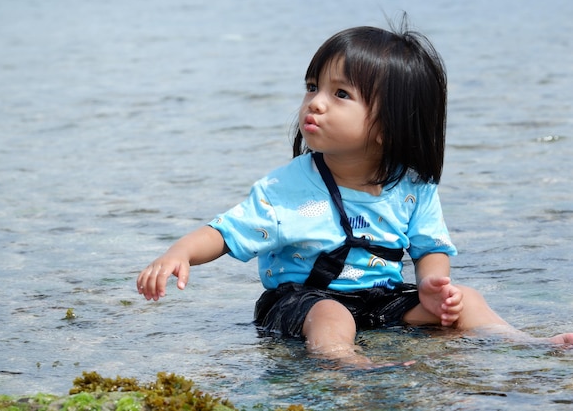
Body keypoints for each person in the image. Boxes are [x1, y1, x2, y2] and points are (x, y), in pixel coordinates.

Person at [137, 18, 573, 368]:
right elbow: (225, 232)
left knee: (466, 301)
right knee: (332, 316)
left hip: (381, 300)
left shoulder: (412, 186)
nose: (315, 103)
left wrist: (432, 287)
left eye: (340, 93)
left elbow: (430, 248)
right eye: (313, 87)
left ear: (387, 128)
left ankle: (521, 343)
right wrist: (178, 253)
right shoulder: (288, 187)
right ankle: (346, 363)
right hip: (299, 302)